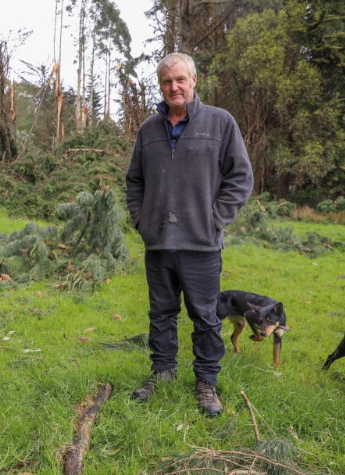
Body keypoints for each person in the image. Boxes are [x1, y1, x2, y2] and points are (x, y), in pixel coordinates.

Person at [125, 52, 254, 417]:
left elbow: (241, 178)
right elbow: (134, 180)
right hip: (159, 243)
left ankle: (206, 383)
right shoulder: (149, 130)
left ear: (194, 80)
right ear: (161, 86)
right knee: (161, 314)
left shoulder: (220, 123)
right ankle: (162, 372)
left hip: (201, 244)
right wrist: (142, 220)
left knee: (206, 317)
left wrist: (215, 219)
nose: (174, 87)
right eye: (167, 82)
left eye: (180, 80)